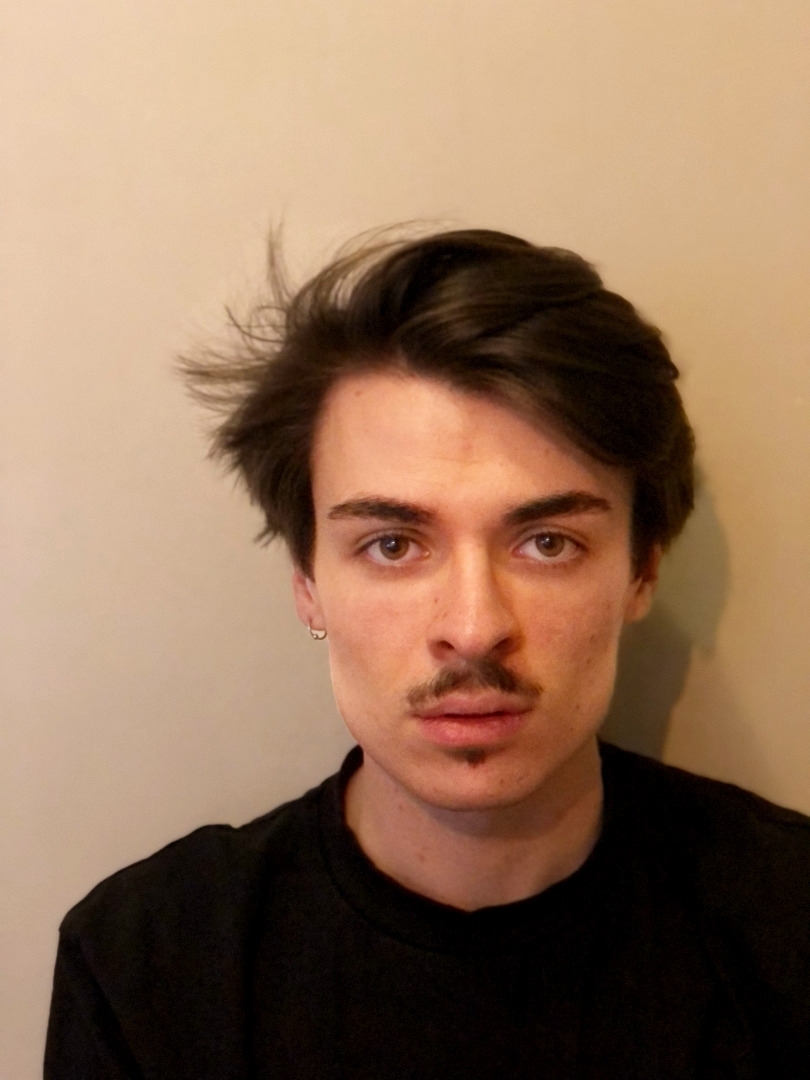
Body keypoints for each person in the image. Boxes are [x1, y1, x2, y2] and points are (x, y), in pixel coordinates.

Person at [45, 229, 809, 1078]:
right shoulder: (145, 966)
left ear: (642, 572)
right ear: (308, 583)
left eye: (548, 543)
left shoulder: (791, 925)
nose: (475, 628)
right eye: (393, 545)